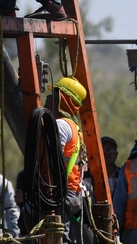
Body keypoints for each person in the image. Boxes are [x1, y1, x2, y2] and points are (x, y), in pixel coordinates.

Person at [45, 76, 93, 243]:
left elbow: (53, 160)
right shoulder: (74, 127)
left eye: (53, 95)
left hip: (62, 193)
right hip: (72, 195)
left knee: (60, 239)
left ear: (63, 100)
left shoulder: (61, 125)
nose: (47, 98)